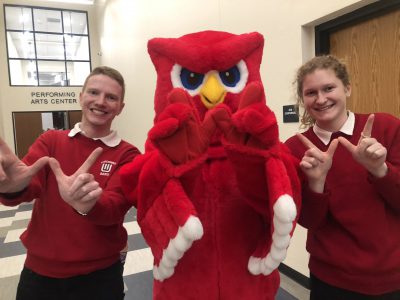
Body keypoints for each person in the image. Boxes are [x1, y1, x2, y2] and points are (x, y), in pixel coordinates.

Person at [0, 66, 140, 300]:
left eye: (111, 97)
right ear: (81, 96)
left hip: (100, 277)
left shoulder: (128, 154)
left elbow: (114, 208)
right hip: (40, 274)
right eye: (94, 92)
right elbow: (30, 183)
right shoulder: (51, 140)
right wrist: (12, 186)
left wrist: (86, 204)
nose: (101, 101)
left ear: (120, 108)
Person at [285, 55, 400, 299]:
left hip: (392, 276)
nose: (321, 99)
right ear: (303, 99)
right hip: (332, 279)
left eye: (329, 88)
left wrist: (380, 170)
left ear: (347, 88)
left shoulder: (386, 127)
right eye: (311, 92)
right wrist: (316, 183)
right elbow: (310, 222)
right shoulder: (295, 148)